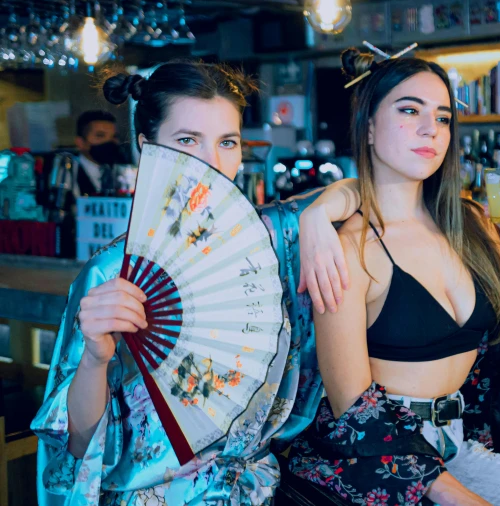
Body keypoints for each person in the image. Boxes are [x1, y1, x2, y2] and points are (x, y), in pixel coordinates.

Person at [31, 62, 361, 505]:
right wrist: (93, 358)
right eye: (187, 141)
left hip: (256, 492)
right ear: (148, 149)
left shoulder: (274, 239)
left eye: (228, 142)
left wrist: (321, 213)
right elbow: (75, 447)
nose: (213, 163)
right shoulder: (111, 271)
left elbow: (366, 188)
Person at [287, 50, 500, 505]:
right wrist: (461, 498)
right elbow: (352, 411)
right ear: (368, 128)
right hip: (368, 461)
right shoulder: (348, 248)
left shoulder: (471, 221)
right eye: (409, 110)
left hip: (457, 448)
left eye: (442, 118)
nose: (430, 130)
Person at [73, 110, 121, 196]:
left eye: (114, 136)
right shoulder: (68, 173)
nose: (109, 141)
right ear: (80, 142)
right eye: (100, 136)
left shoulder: (122, 170)